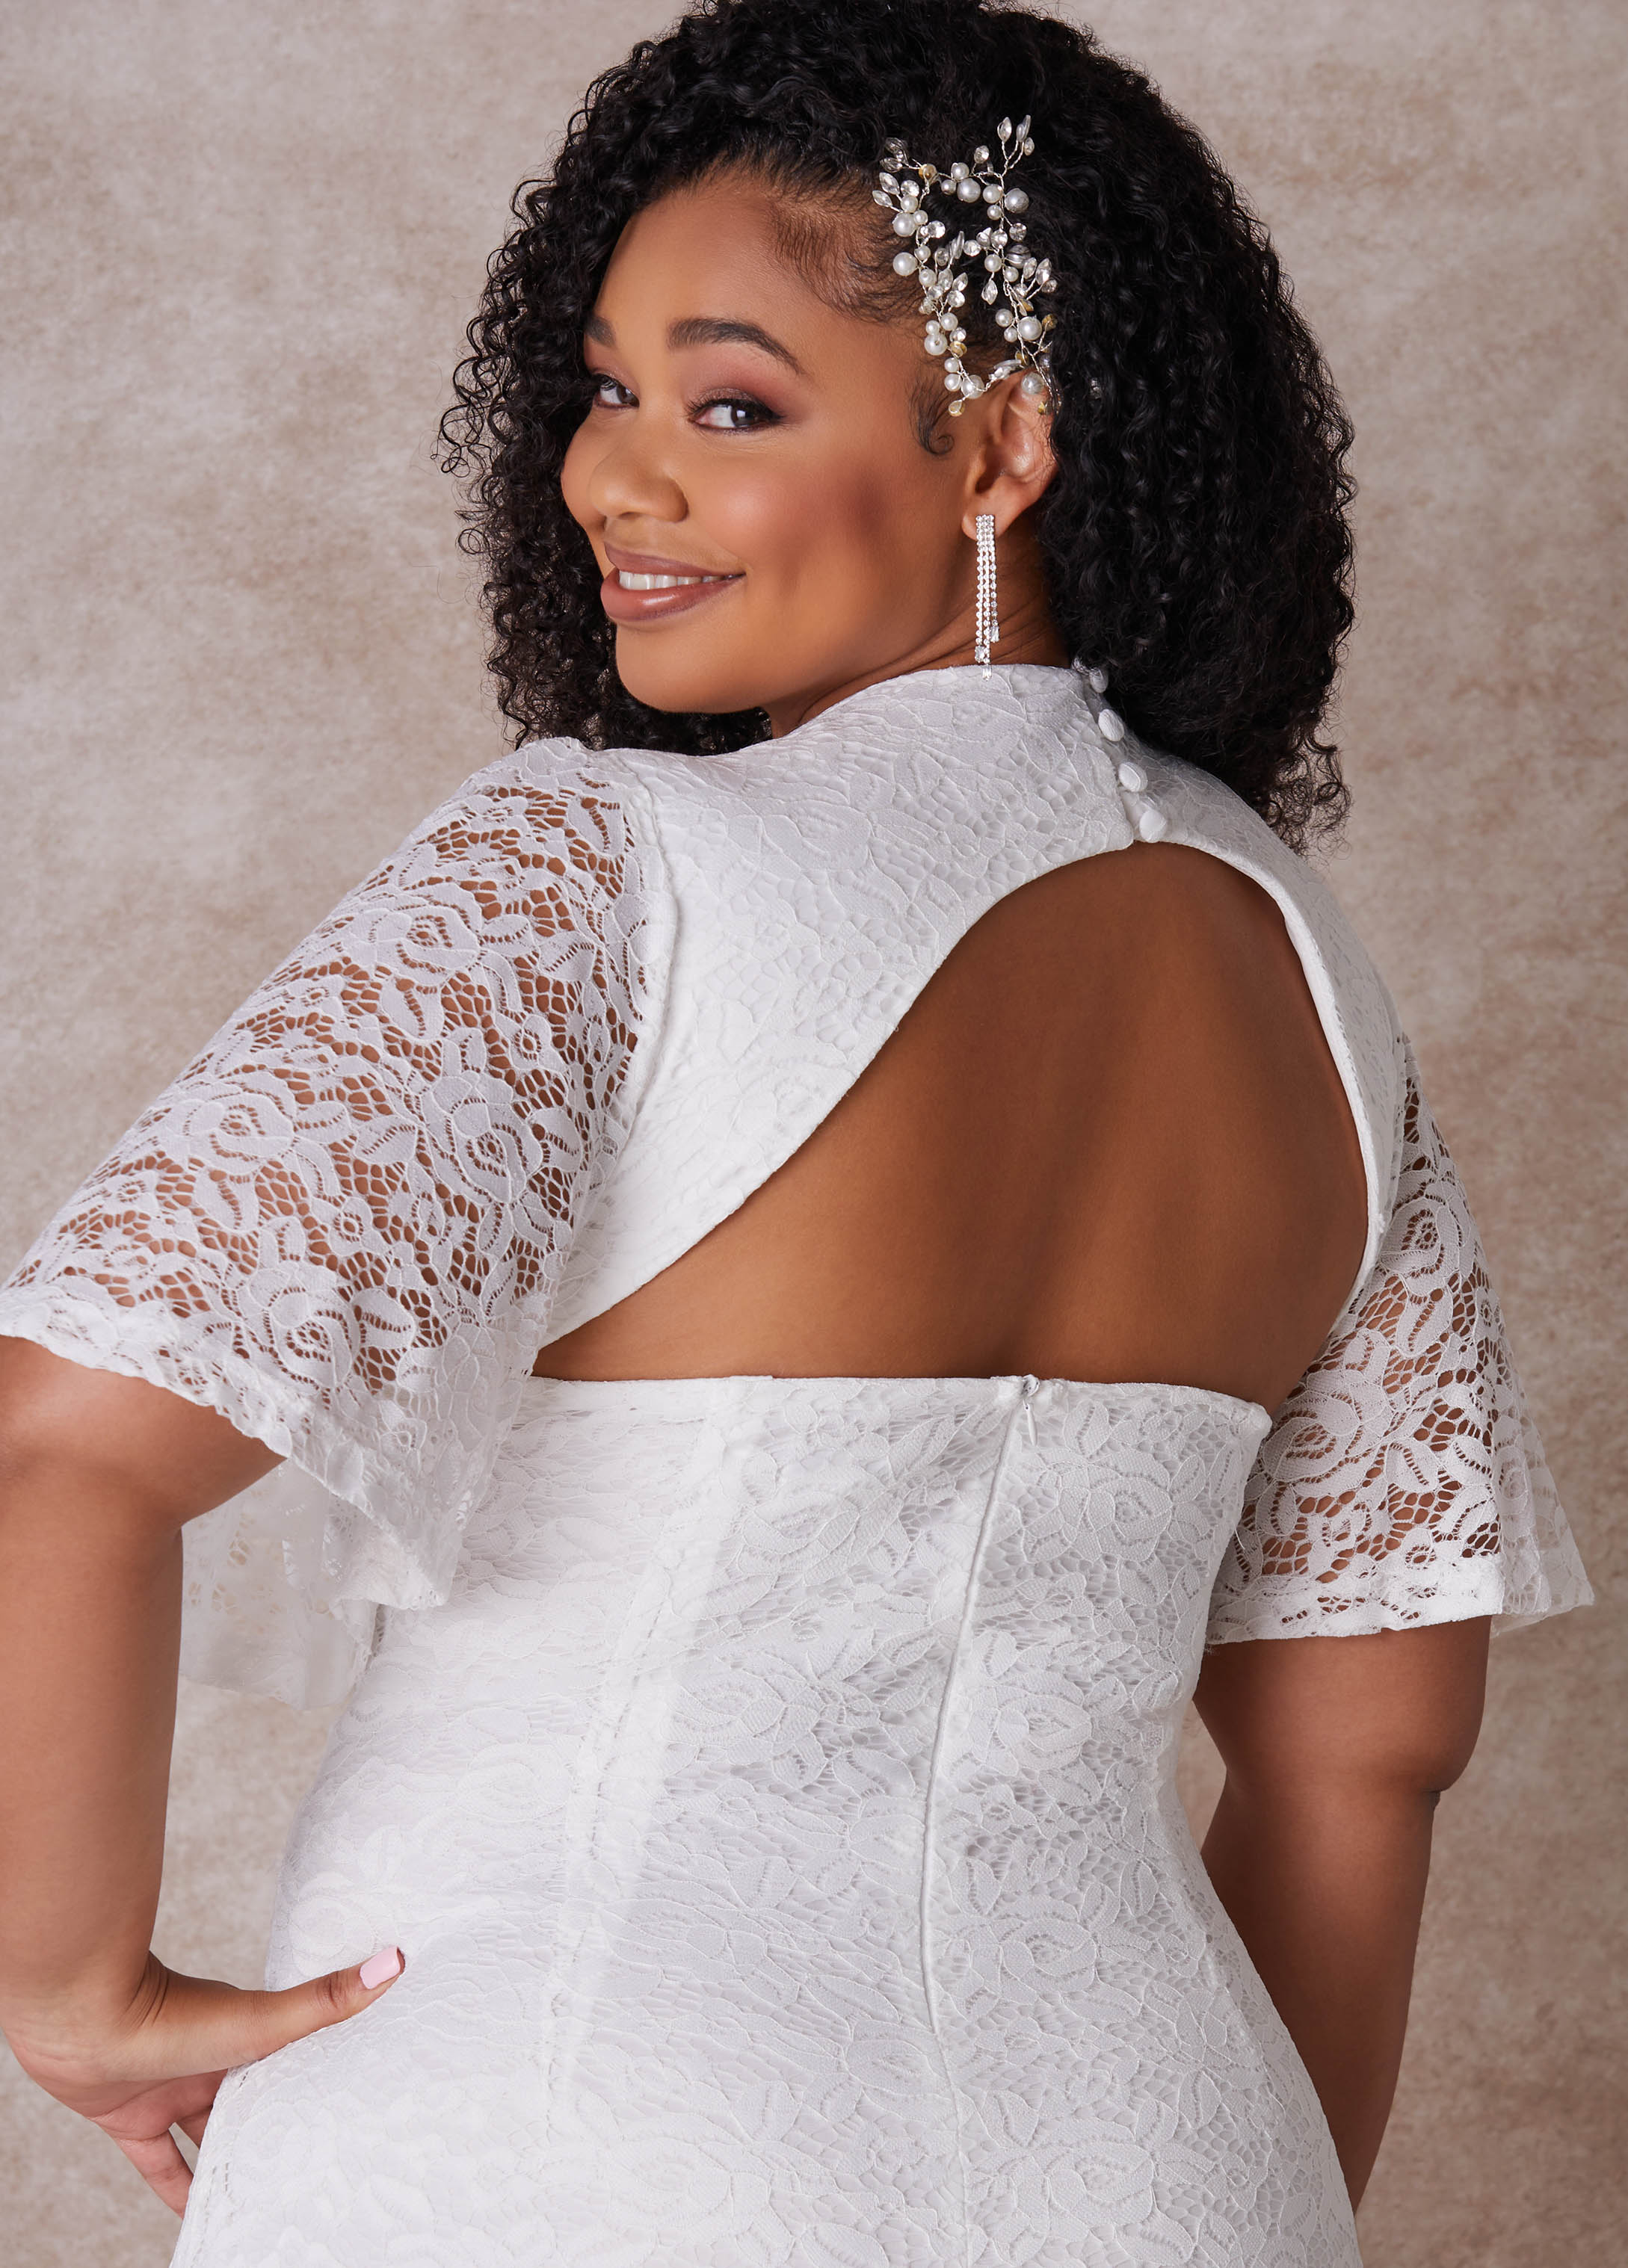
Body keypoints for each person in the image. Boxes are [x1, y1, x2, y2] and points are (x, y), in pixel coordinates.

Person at [0, 1, 1591, 2261]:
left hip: (579, 2149)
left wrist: (68, 1986)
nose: (612, 479)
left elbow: (62, 1446)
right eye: (607, 392)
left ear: (1003, 445)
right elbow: (1364, 1756)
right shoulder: (1317, 1000)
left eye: (730, 405)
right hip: (1170, 2160)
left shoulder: (608, 869)